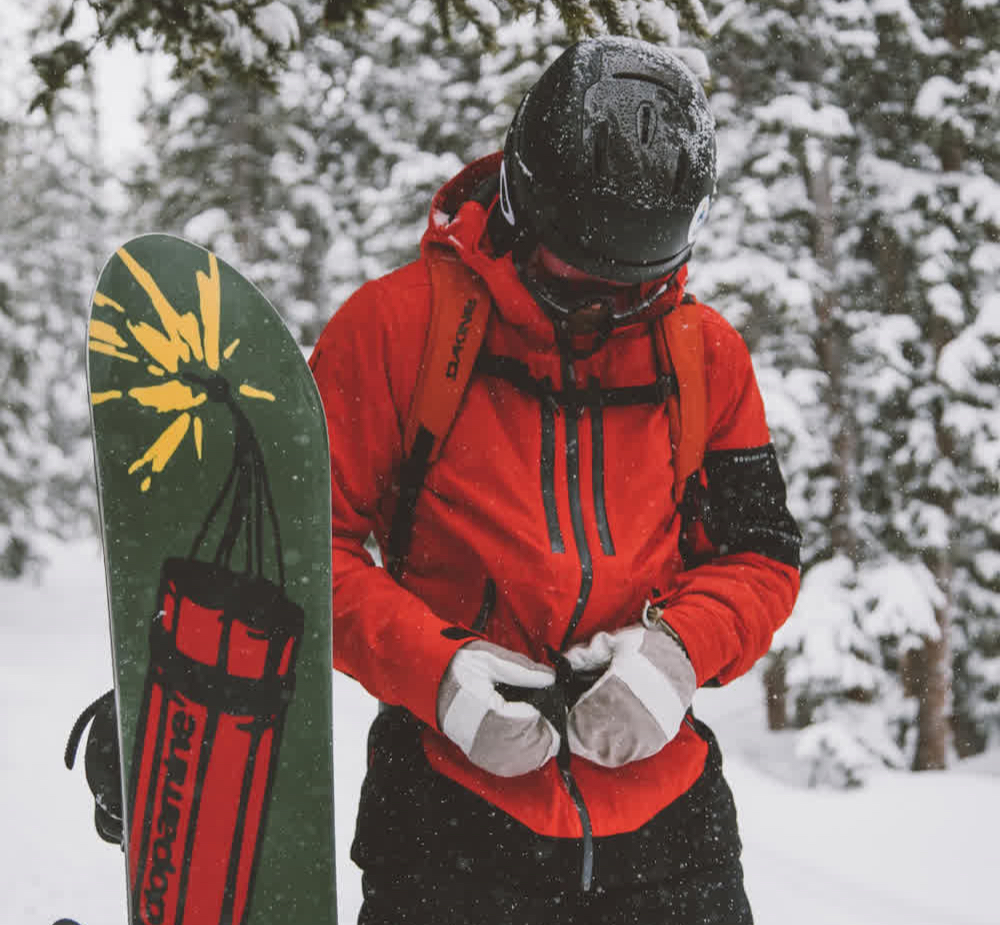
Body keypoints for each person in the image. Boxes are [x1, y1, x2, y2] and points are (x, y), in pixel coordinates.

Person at [308, 36, 801, 925]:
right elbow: (310, 554)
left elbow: (760, 555)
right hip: (448, 826)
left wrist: (676, 656)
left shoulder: (705, 354)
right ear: (523, 200)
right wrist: (440, 675)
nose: (611, 301)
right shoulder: (395, 330)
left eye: (637, 279)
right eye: (585, 274)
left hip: (670, 832)